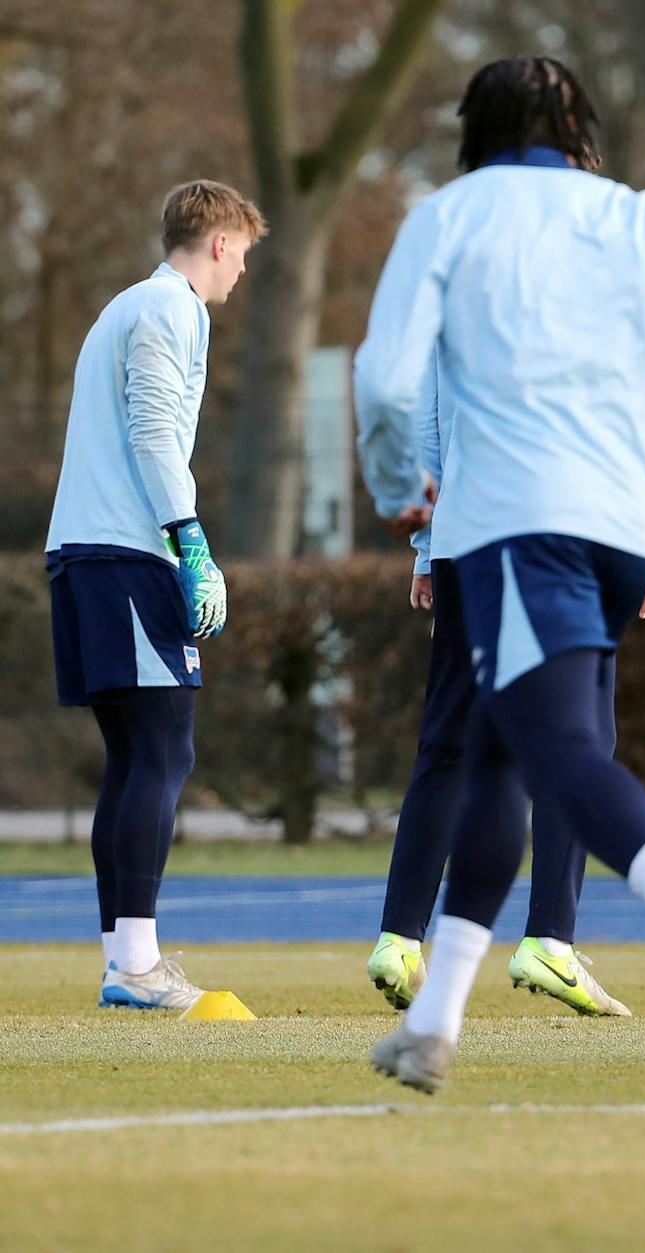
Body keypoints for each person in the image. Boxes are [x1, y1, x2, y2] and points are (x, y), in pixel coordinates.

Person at [352, 56, 645, 1091]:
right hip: (623, 530)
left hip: (514, 521)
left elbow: (384, 378)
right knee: (501, 755)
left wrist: (395, 487)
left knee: (546, 746)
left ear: (474, 129)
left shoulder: (452, 213)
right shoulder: (642, 216)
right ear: (581, 130)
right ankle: (434, 1021)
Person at [364, 353, 645, 1018]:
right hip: (558, 540)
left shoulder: (459, 280)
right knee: (579, 737)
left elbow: (426, 421)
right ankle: (550, 937)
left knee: (447, 744)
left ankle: (399, 938)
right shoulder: (574, 282)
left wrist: (428, 546)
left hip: (463, 540)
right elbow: (603, 425)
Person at [45, 179, 265, 1010]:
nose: (241, 270)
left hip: (83, 550)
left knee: (135, 757)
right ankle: (136, 964)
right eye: (241, 253)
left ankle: (124, 958)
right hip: (125, 552)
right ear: (217, 242)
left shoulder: (121, 308)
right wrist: (191, 538)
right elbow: (152, 433)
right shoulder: (172, 308)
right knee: (166, 751)